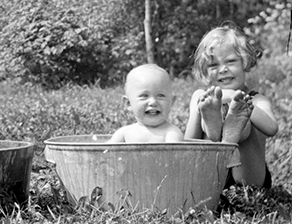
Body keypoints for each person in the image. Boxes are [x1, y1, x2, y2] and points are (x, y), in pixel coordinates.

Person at [185, 23, 278, 188]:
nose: (223, 69)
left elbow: (271, 128)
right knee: (203, 102)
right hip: (212, 176)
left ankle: (232, 130)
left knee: (244, 118)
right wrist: (200, 111)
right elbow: (189, 142)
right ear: (205, 71)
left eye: (230, 61)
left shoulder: (257, 99)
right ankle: (213, 129)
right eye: (214, 65)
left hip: (249, 177)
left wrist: (236, 100)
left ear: (245, 62)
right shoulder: (202, 98)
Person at [108, 64, 184, 143]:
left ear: (172, 102)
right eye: (144, 96)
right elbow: (103, 153)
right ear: (128, 103)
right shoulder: (124, 133)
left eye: (160, 96)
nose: (153, 102)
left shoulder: (172, 133)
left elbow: (175, 154)